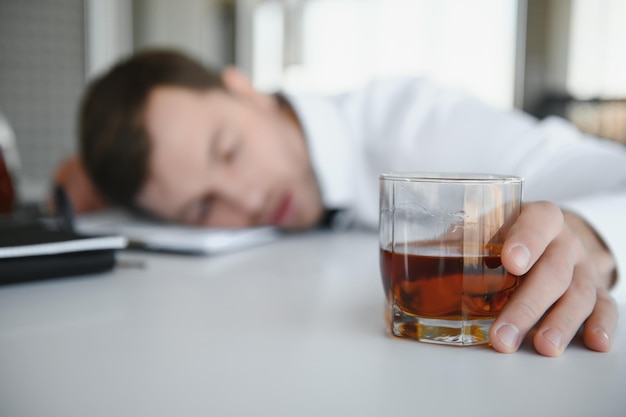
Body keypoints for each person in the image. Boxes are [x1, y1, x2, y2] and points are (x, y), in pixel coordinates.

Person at [55, 49, 626, 357]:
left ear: (243, 88)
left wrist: (591, 235)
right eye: (202, 207)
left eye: (227, 151)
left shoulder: (414, 120)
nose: (245, 198)